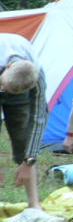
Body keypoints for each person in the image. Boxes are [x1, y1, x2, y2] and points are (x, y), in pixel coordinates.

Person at [0, 34, 47, 211]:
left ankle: (34, 204)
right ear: (8, 67)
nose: (3, 90)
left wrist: (29, 161)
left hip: (16, 85)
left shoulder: (38, 75)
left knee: (23, 137)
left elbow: (39, 118)